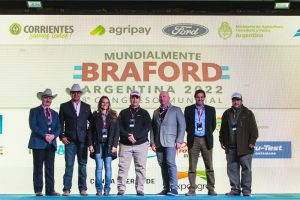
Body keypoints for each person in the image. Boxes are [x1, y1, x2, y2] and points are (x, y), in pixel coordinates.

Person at [219, 92, 258, 196]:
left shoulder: (248, 113)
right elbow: (222, 129)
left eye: (238, 100)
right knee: (232, 169)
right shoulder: (227, 113)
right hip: (231, 147)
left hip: (245, 147)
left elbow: (254, 130)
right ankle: (235, 189)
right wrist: (222, 141)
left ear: (241, 101)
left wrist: (252, 142)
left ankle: (246, 189)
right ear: (232, 101)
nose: (236, 102)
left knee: (246, 169)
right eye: (234, 100)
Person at [150, 91, 186, 196]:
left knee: (170, 164)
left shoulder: (176, 110)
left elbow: (182, 126)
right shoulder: (156, 112)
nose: (162, 98)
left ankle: (174, 189)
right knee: (163, 166)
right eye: (160, 97)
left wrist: (179, 140)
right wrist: (152, 142)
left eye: (164, 96)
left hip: (171, 142)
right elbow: (152, 128)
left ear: (169, 98)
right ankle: (166, 188)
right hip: (158, 143)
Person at [59, 84, 92, 196]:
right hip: (69, 141)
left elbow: (92, 123)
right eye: (74, 92)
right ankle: (66, 189)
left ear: (81, 94)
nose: (76, 94)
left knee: (83, 165)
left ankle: (83, 188)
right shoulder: (64, 106)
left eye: (78, 92)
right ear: (71, 94)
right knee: (69, 165)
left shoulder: (87, 107)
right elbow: (60, 124)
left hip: (83, 141)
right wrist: (62, 136)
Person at [117, 90, 151, 196]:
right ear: (130, 98)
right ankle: (121, 189)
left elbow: (147, 128)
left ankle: (140, 189)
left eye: (136, 97)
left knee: (140, 167)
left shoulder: (145, 113)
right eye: (133, 97)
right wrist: (128, 135)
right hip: (125, 144)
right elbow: (119, 127)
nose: (134, 99)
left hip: (141, 144)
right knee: (123, 167)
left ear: (139, 99)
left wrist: (135, 136)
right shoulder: (123, 112)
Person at [28, 88, 61, 196]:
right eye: (46, 97)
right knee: (38, 167)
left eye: (50, 98)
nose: (48, 100)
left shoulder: (55, 113)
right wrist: (45, 135)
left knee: (50, 168)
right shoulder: (34, 111)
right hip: (38, 143)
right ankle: (38, 190)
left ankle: (50, 190)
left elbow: (59, 128)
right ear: (42, 98)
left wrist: (53, 136)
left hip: (51, 144)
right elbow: (33, 126)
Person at [184, 89, 217, 196]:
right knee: (192, 166)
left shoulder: (211, 109)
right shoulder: (188, 109)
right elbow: (186, 125)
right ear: (195, 98)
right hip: (193, 139)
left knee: (209, 166)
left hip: (206, 139)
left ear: (204, 98)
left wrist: (205, 133)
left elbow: (213, 125)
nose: (200, 99)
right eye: (198, 97)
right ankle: (192, 189)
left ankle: (211, 189)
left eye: (202, 97)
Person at [87, 96, 120, 196]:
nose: (105, 104)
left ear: (109, 104)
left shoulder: (113, 115)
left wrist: (115, 145)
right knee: (99, 167)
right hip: (97, 144)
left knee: (108, 167)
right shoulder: (95, 115)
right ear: (100, 104)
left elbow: (117, 132)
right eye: (103, 102)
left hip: (109, 145)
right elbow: (90, 132)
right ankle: (99, 189)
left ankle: (107, 189)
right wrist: (90, 144)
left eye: (106, 102)